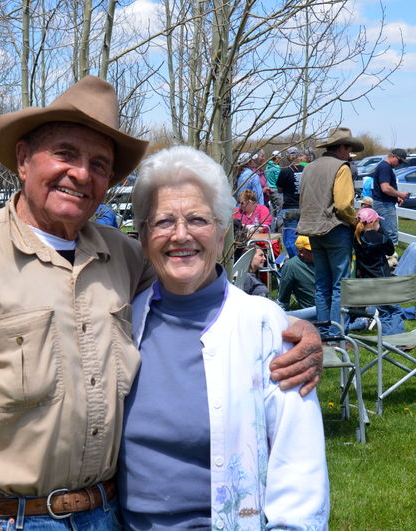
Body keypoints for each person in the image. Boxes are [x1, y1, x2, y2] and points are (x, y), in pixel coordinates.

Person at [0, 76, 323, 530]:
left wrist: (288, 329)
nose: (82, 173)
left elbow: (200, 289)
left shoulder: (123, 258)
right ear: (24, 159)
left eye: (99, 163)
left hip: (103, 517)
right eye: (65, 153)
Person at [118, 146, 329, 530]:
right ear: (144, 235)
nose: (181, 235)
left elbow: (299, 465)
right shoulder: (122, 321)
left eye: (197, 219)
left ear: (221, 230)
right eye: (164, 221)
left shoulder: (265, 326)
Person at [298, 126, 363, 335]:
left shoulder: (309, 167)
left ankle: (323, 332)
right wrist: (356, 221)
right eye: (349, 148)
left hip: (313, 230)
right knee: (339, 286)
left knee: (322, 284)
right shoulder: (341, 167)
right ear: (341, 147)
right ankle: (336, 335)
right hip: (335, 228)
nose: (350, 153)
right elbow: (343, 205)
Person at [353, 208, 404, 335]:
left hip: (368, 281)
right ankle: (396, 338)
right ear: (375, 221)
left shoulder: (356, 238)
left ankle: (387, 337)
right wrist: (381, 230)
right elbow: (390, 251)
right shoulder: (380, 238)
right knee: (394, 310)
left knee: (383, 311)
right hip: (383, 279)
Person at [372, 148, 410, 244]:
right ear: (393, 156)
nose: (400, 164)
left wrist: (396, 197)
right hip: (384, 205)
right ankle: (392, 258)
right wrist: (400, 194)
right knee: (391, 235)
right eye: (400, 161)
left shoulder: (383, 166)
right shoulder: (385, 167)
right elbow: (385, 188)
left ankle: (385, 257)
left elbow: (383, 189)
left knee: (382, 234)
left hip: (381, 203)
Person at [277, 235, 317, 320]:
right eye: (312, 250)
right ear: (301, 252)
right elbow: (283, 298)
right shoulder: (291, 266)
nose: (317, 252)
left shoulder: (323, 261)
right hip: (313, 310)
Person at [277, 146, 305, 257]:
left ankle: (295, 260)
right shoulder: (305, 170)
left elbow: (280, 189)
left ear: (288, 157)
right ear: (298, 156)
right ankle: (304, 258)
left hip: (289, 208)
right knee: (303, 236)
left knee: (289, 239)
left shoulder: (285, 171)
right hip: (303, 207)